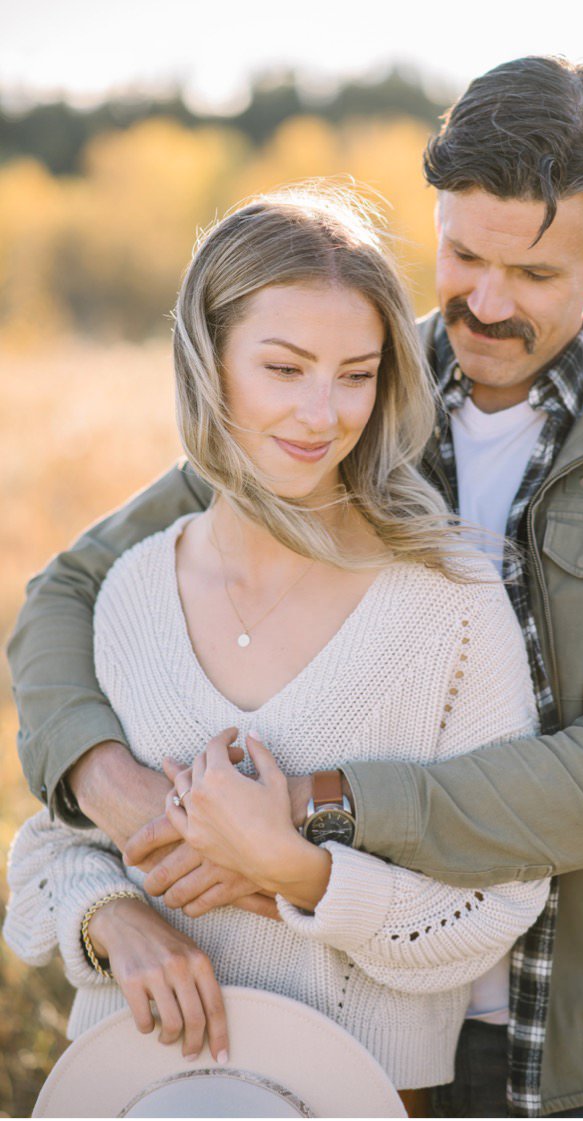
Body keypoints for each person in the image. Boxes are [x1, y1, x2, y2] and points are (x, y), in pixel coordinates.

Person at [7, 56, 583, 1118]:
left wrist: (308, 812)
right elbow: (71, 588)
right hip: (345, 1038)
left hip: (582, 1035)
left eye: (535, 274)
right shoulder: (350, 384)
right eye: (462, 255)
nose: (487, 302)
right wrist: (111, 783)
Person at [3, 187, 550, 1111]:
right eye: (285, 368)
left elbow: (499, 900)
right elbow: (52, 849)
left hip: (359, 1095)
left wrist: (299, 872)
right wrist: (112, 918)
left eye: (355, 373)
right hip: (131, 1087)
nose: (322, 414)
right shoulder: (133, 589)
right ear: (208, 362)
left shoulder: (448, 599)